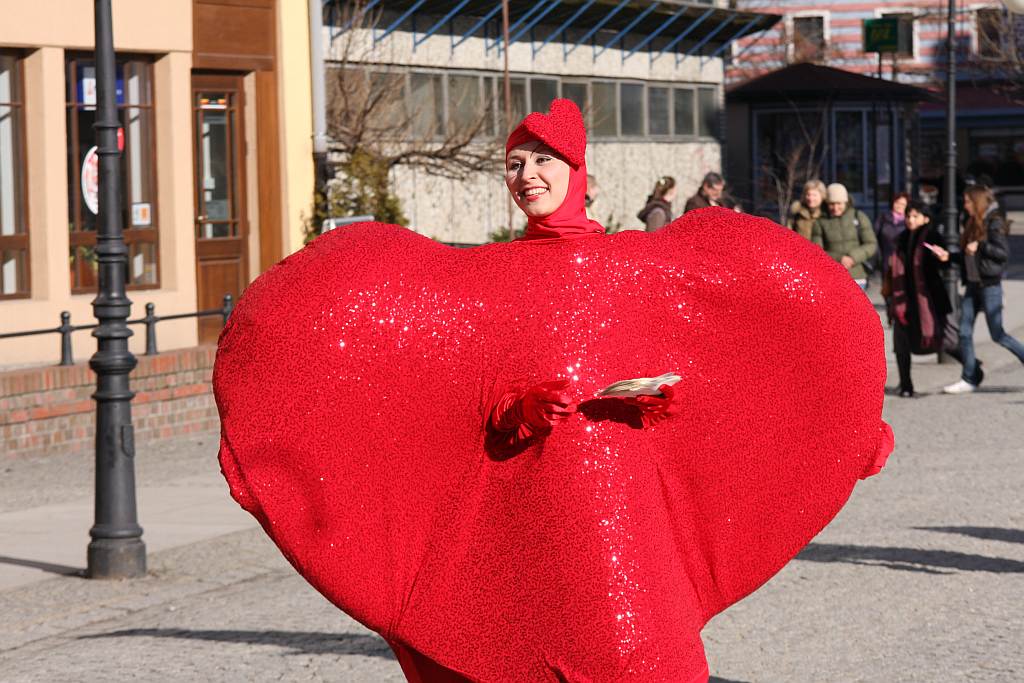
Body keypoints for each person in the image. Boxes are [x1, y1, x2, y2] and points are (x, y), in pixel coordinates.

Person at [214, 99, 894, 683]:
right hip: (524, 522)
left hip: (623, 520)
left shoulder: (634, 267)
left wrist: (663, 401)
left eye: (542, 160)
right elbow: (449, 397)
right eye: (515, 163)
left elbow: (752, 321)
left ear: (578, 172)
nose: (527, 175)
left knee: (638, 653)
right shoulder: (486, 277)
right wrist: (518, 408)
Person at [942, 185, 1024, 394]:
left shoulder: (993, 223)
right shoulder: (971, 223)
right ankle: (970, 377)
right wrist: (948, 257)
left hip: (989, 286)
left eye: (968, 201)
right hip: (972, 284)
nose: (965, 205)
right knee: (964, 332)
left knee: (998, 334)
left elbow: (1002, 254)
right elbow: (967, 256)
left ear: (977, 202)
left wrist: (981, 246)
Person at [885, 202, 954, 397]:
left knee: (947, 340)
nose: (910, 219)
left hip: (928, 300)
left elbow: (945, 262)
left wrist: (943, 258)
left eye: (915, 216)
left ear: (926, 218)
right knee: (901, 344)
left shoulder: (932, 237)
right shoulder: (901, 239)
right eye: (908, 216)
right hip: (903, 301)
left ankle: (971, 368)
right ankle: (906, 385)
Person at [811, 183, 878, 290]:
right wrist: (839, 259)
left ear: (846, 202)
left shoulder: (859, 217)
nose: (835, 208)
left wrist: (853, 257)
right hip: (832, 277)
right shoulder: (820, 222)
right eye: (831, 204)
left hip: (857, 275)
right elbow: (817, 251)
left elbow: (871, 243)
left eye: (839, 203)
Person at [875, 192, 909, 280]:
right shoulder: (883, 217)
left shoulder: (909, 220)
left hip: (903, 261)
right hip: (885, 258)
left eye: (903, 204)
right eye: (897, 202)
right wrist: (879, 257)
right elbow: (874, 237)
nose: (899, 206)